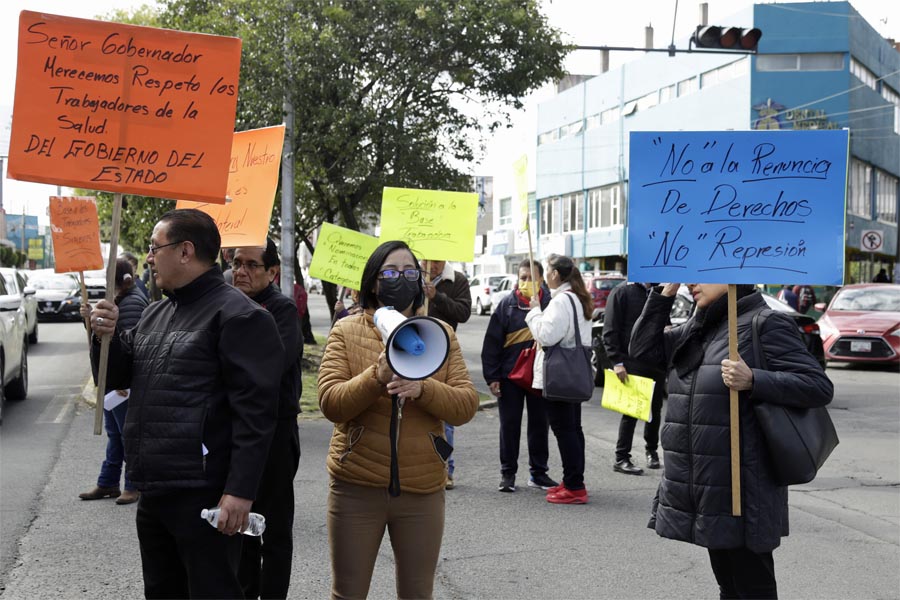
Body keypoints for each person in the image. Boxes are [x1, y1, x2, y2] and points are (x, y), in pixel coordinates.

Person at [88, 209, 284, 599]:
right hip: (155, 485)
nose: (147, 257)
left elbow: (256, 416)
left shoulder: (240, 315)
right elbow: (116, 378)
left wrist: (240, 492)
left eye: (153, 247)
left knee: (213, 591)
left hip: (204, 492)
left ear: (185, 251)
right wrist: (102, 338)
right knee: (161, 590)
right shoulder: (155, 313)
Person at [630, 282, 833, 599]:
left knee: (753, 588)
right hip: (707, 485)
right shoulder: (698, 327)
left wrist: (754, 380)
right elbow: (643, 351)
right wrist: (663, 293)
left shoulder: (765, 322)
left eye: (699, 274)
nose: (690, 283)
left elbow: (817, 385)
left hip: (744, 487)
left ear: (730, 275)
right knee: (728, 584)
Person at [318, 240, 478, 599]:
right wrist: (375, 378)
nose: (401, 278)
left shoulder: (440, 335)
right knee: (348, 592)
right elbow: (331, 403)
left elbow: (466, 405)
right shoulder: (346, 331)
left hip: (422, 489)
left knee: (418, 593)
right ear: (374, 281)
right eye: (390, 272)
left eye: (410, 272)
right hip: (357, 486)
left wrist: (424, 389)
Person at [232, 239, 303, 600]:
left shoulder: (283, 311)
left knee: (273, 530)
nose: (240, 271)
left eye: (251, 265)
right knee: (239, 524)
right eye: (236, 263)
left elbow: (271, 365)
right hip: (237, 434)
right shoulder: (226, 306)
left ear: (272, 272)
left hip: (275, 434)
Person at [481, 258, 557, 493]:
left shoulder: (552, 304)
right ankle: (508, 473)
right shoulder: (506, 305)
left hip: (541, 375)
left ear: (541, 279)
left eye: (531, 278)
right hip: (510, 376)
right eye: (522, 278)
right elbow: (492, 343)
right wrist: (492, 377)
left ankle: (538, 473)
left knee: (539, 425)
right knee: (509, 425)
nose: (526, 282)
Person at [78, 258, 148, 505]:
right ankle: (108, 482)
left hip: (121, 386)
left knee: (125, 435)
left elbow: (126, 349)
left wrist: (121, 385)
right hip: (113, 384)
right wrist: (89, 319)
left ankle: (132, 485)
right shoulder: (121, 301)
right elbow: (102, 339)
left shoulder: (132, 304)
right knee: (115, 435)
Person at [524, 255, 593, 504]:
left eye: (549, 270)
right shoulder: (576, 297)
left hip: (560, 374)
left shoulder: (561, 300)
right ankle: (574, 479)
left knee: (565, 430)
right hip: (573, 372)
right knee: (573, 428)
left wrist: (534, 312)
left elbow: (546, 335)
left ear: (555, 274)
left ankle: (574, 486)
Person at [602, 281, 666, 475]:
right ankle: (621, 457)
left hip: (656, 361)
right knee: (631, 411)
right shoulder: (622, 292)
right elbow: (610, 329)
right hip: (631, 362)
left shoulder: (659, 290)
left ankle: (651, 451)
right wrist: (617, 361)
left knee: (655, 409)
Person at [424, 259, 473, 490]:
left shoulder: (457, 280)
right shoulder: (416, 276)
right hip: (416, 349)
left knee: (445, 412)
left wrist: (437, 297)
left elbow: (463, 313)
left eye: (436, 262)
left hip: (443, 350)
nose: (430, 265)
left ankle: (446, 468)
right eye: (428, 260)